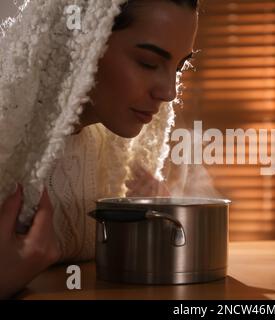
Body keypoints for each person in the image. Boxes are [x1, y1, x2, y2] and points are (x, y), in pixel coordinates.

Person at [0, 0, 199, 299]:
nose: (169, 92)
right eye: (147, 62)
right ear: (82, 42)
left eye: (179, 66)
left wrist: (148, 230)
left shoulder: (115, 165)